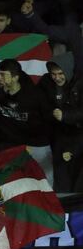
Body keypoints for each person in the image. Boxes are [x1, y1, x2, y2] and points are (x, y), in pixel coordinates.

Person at [38, 52, 83, 192]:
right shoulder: (46, 82)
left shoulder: (80, 83)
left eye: (60, 73)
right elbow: (37, 100)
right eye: (53, 74)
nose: (56, 78)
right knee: (62, 176)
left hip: (79, 134)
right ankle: (64, 206)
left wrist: (65, 115)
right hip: (59, 135)